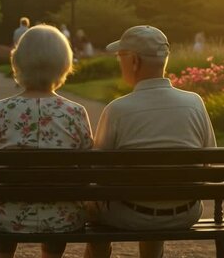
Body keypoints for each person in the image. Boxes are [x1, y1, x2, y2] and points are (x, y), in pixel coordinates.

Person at [85, 25, 216, 258]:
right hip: (184, 212)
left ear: (134, 61)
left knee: (94, 208)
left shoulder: (117, 110)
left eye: (120, 57)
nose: (119, 62)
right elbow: (210, 163)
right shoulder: (194, 103)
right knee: (155, 196)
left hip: (129, 214)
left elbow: (97, 173)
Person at [0, 24, 93, 258]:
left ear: (18, 62)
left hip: (4, 216)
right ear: (64, 65)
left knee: (0, 205)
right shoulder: (76, 112)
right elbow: (86, 171)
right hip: (62, 217)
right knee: (60, 208)